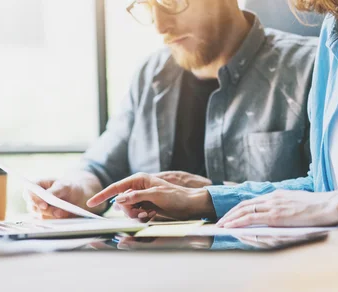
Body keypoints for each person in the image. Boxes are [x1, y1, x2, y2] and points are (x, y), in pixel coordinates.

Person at [87, 0, 338, 228]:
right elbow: (322, 189)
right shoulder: (331, 33)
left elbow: (330, 200)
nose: (159, 26)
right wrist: (203, 198)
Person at [25, 0, 317, 219]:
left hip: (268, 277)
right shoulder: (150, 75)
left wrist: (214, 195)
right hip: (156, 278)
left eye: (170, 1)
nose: (160, 26)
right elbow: (102, 166)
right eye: (147, 5)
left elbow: (332, 190)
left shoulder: (311, 68)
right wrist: (75, 190)